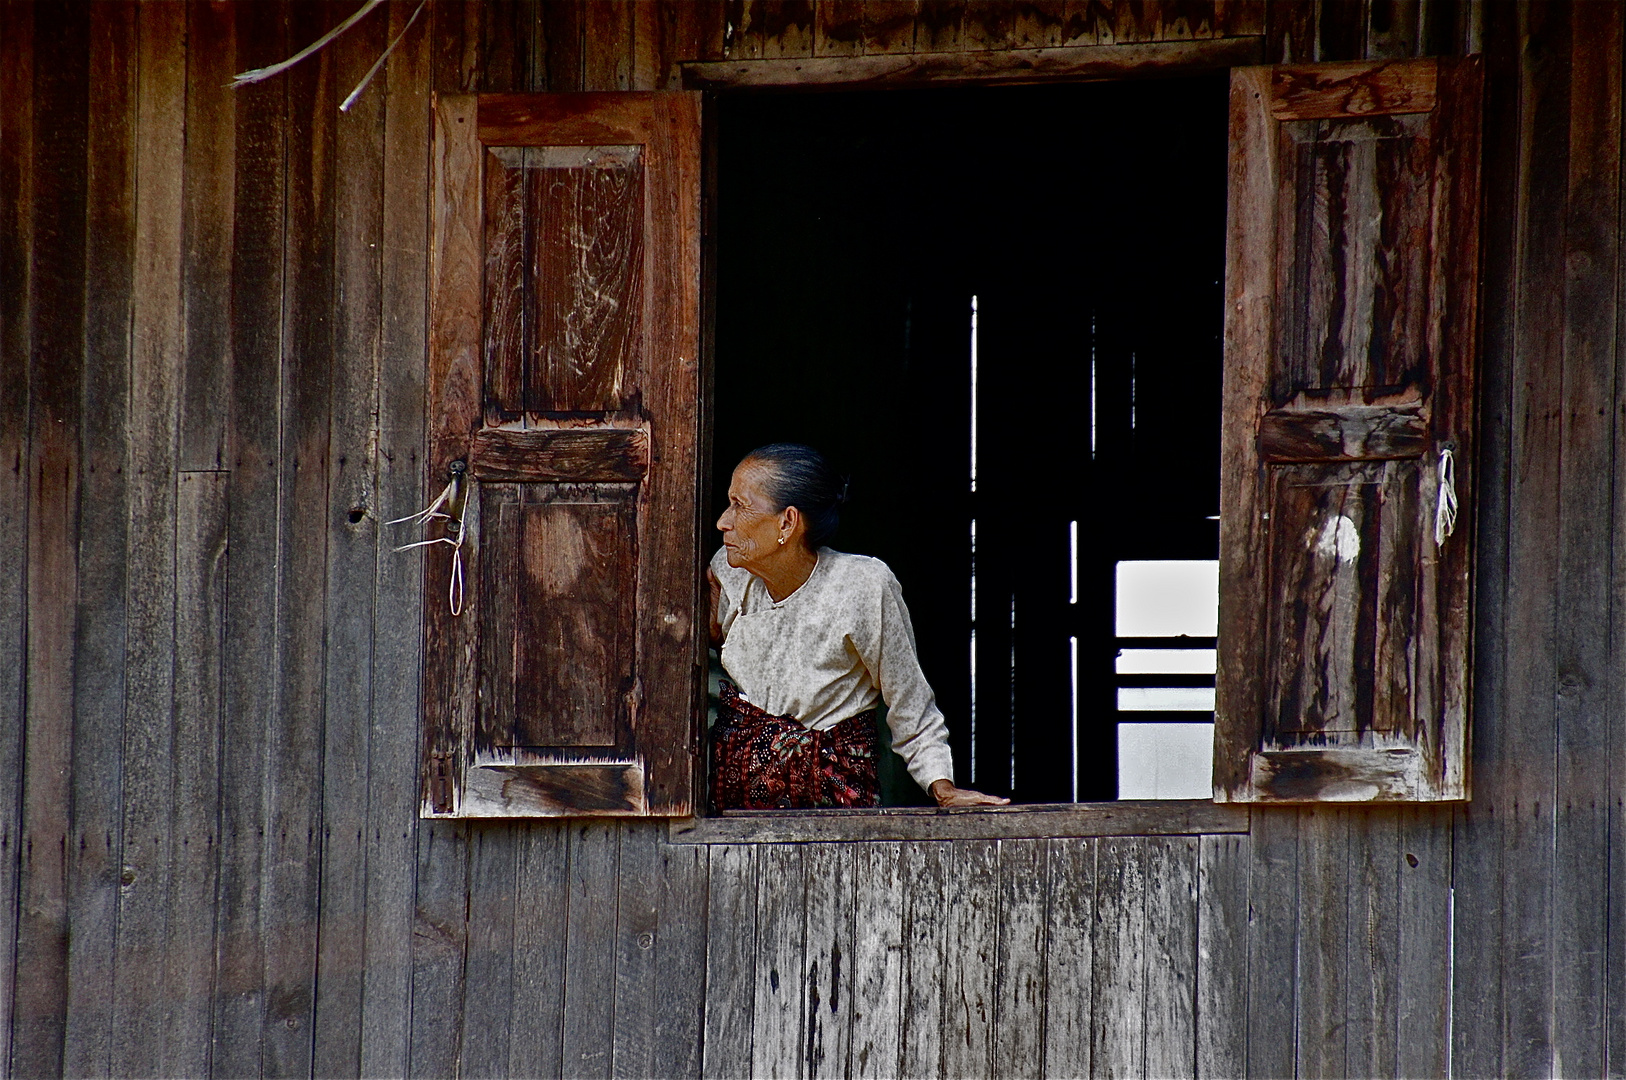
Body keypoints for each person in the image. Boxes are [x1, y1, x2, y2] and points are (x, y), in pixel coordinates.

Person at [707, 443, 1008, 810]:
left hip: (835, 814)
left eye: (740, 505)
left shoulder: (862, 586)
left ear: (787, 522)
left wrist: (941, 786)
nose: (724, 521)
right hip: (737, 816)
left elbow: (909, 699)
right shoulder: (729, 574)